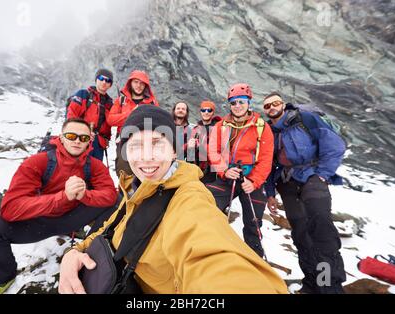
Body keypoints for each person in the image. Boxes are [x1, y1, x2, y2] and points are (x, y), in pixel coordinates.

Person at [58, 106, 287, 294]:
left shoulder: (188, 198)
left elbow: (211, 253)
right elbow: (112, 227)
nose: (146, 156)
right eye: (136, 145)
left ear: (174, 151)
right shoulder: (134, 186)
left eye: (157, 143)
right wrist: (74, 252)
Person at [0, 119, 118, 294]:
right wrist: (63, 197)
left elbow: (109, 194)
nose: (77, 141)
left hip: (72, 218)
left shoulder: (94, 166)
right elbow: (10, 208)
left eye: (83, 138)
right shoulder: (38, 162)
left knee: (118, 201)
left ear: (89, 141)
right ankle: (2, 278)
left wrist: (85, 195)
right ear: (61, 138)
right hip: (38, 221)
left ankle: (90, 250)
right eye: (71, 136)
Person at [263, 92, 347, 294]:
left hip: (313, 176)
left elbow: (335, 146)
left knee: (320, 226)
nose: (271, 107)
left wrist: (322, 175)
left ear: (283, 104)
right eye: (267, 106)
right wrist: (270, 193)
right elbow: (267, 163)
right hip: (287, 182)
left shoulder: (305, 119)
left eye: (275, 103)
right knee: (300, 232)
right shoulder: (269, 132)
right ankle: (311, 283)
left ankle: (329, 285)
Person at [206, 84, 274, 258]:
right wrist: (224, 170)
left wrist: (255, 181)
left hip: (251, 179)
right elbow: (213, 150)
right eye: (233, 103)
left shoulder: (261, 127)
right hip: (228, 176)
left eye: (241, 102)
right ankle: (211, 251)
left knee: (253, 224)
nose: (237, 106)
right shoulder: (221, 126)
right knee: (208, 207)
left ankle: (255, 259)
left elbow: (266, 158)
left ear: (248, 103)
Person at [107, 70, 159, 176]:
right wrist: (131, 114)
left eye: (142, 83)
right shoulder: (121, 100)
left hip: (145, 142)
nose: (138, 86)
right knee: (123, 171)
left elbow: (158, 121)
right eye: (136, 82)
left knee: (145, 172)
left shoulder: (152, 103)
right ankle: (124, 192)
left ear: (146, 86)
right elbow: (111, 120)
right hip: (124, 141)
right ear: (130, 83)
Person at [66, 69, 114, 162]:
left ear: (110, 85)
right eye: (101, 78)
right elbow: (72, 116)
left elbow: (110, 123)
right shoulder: (84, 94)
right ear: (96, 79)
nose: (104, 82)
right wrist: (84, 132)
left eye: (108, 80)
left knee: (94, 171)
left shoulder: (109, 104)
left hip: (99, 144)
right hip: (81, 140)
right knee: (78, 168)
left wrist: (106, 140)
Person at [186, 101, 222, 183]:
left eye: (209, 110)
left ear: (213, 112)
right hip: (196, 168)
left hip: (211, 171)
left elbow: (219, 149)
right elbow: (190, 154)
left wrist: (199, 145)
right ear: (200, 112)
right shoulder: (195, 129)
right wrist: (190, 148)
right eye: (203, 110)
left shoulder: (218, 129)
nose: (206, 112)